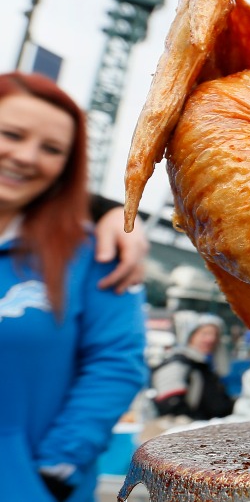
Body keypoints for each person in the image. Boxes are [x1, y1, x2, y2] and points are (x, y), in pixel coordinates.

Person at [0, 71, 147, 502]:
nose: (27, 157)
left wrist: (53, 471)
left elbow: (115, 364)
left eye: (51, 149)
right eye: (11, 134)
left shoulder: (93, 254)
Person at [149, 312, 235, 423]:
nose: (211, 339)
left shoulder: (204, 366)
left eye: (215, 335)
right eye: (204, 334)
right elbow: (171, 410)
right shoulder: (178, 364)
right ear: (190, 336)